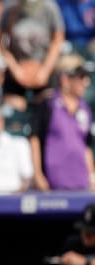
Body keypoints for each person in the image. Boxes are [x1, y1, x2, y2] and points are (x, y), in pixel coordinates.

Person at [29, 53, 95, 192]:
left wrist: (92, 176)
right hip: (53, 183)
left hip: (81, 182)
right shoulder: (48, 104)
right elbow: (35, 139)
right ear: (65, 79)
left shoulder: (85, 110)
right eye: (81, 77)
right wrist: (38, 174)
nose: (86, 82)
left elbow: (86, 147)